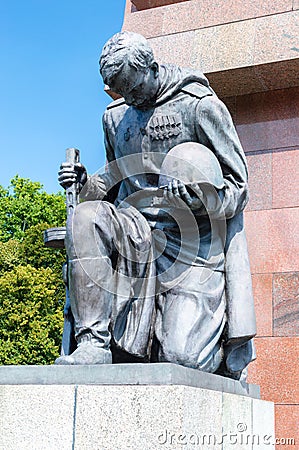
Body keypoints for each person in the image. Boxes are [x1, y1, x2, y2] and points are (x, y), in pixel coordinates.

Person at [56, 31, 256, 379]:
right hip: (135, 233)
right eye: (123, 92)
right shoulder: (116, 118)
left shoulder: (199, 106)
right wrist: (86, 182)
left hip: (192, 243)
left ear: (151, 66)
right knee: (86, 217)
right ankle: (94, 342)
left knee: (184, 360)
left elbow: (239, 188)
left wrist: (203, 197)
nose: (131, 99)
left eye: (135, 88)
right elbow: (115, 184)